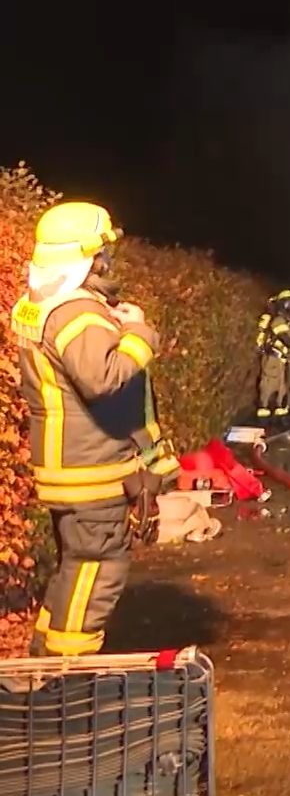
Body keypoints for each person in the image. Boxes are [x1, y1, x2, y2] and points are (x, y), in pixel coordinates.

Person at [9, 201, 175, 657]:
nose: (109, 262)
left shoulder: (41, 305)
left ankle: (40, 668)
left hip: (68, 470)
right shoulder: (77, 312)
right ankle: (66, 686)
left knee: (75, 573)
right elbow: (102, 378)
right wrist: (140, 334)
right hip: (91, 476)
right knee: (99, 571)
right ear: (88, 257)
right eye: (104, 253)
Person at [255, 289, 290, 420]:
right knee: (269, 385)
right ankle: (263, 415)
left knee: (282, 387)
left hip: (282, 359)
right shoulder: (278, 319)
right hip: (273, 357)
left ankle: (280, 415)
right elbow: (283, 336)